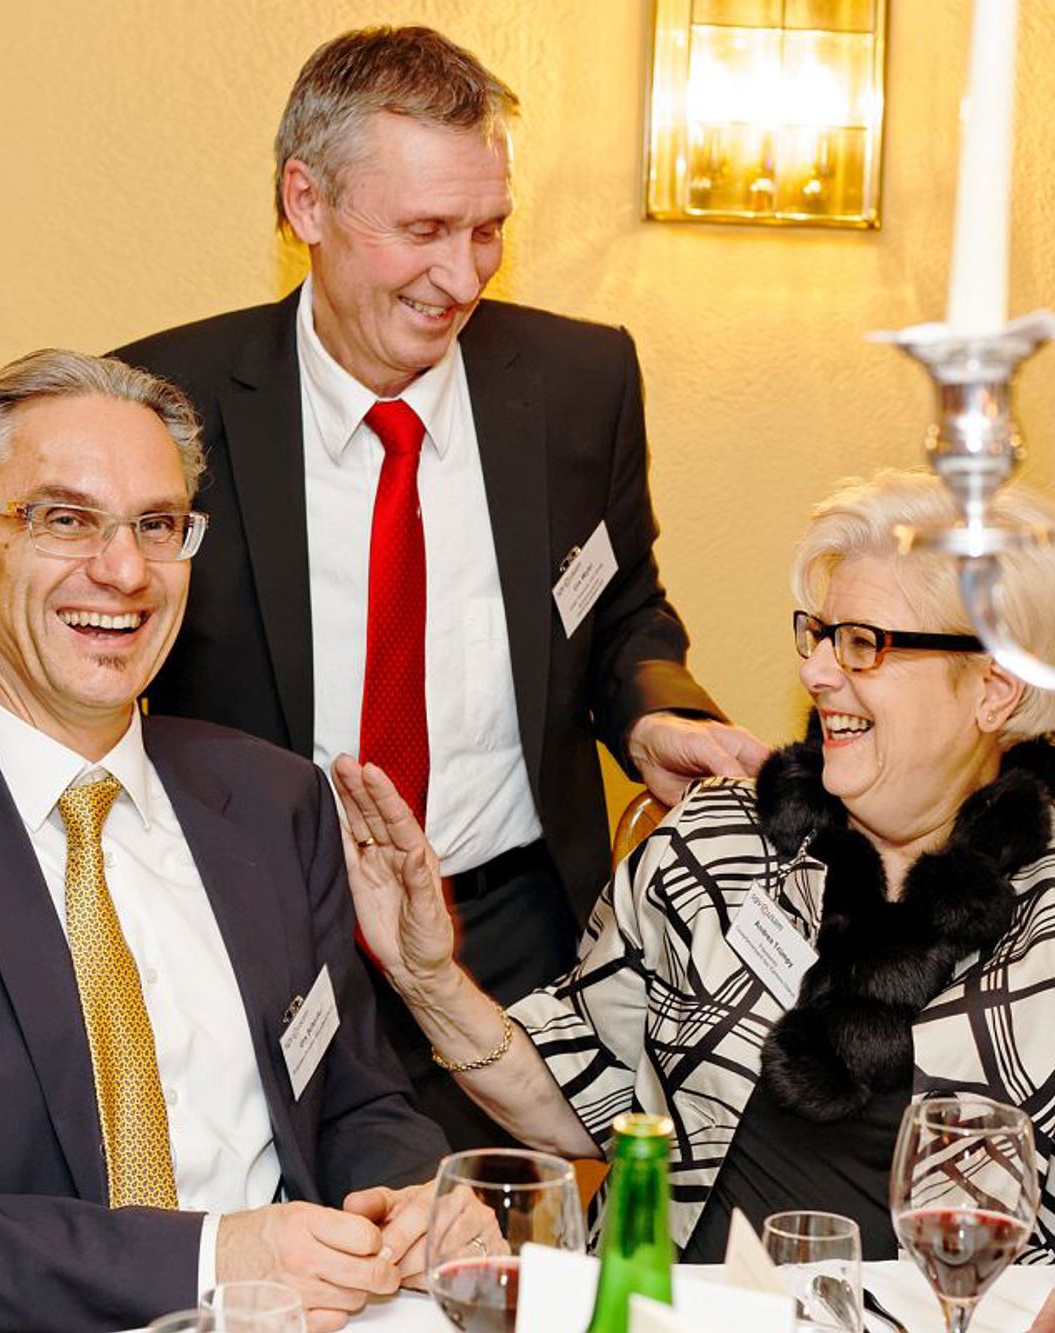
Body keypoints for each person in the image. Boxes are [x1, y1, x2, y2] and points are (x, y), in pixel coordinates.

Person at [339, 471, 1055, 1333]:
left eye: (863, 642)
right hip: (670, 1315)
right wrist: (426, 974)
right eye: (818, 633)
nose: (818, 671)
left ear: (995, 688)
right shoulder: (718, 843)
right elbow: (574, 1093)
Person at [111, 25, 768, 1148]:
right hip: (257, 930)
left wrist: (655, 712)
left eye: (487, 230)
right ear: (307, 202)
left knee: (505, 1252)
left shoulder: (579, 382)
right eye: (422, 231)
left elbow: (618, 608)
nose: (461, 278)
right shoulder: (162, 403)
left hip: (510, 940)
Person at [0, 350, 459, 1333]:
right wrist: (208, 1259)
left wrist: (410, 1199)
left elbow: (356, 1102)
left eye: (157, 525)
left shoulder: (273, 801)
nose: (124, 571)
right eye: (66, 520)